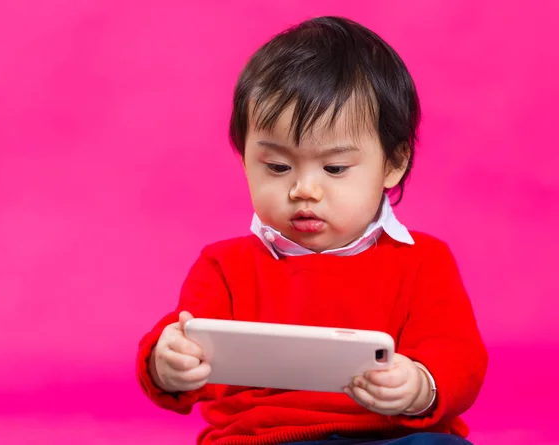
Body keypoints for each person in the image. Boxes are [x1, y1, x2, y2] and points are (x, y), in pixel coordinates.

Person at [136, 16, 488, 445]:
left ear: (393, 164)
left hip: (387, 435)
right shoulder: (223, 267)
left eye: (335, 168)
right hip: (263, 437)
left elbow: (458, 356)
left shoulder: (423, 261)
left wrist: (418, 386)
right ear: (245, 158)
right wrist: (168, 363)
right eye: (278, 167)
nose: (305, 189)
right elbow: (189, 350)